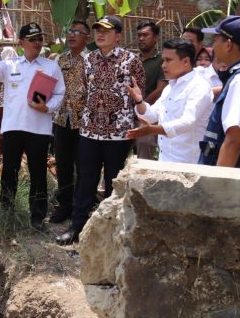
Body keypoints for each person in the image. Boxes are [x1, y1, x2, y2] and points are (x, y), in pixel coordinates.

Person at [56, 15, 145, 245]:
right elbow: (85, 90)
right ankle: (77, 228)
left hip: (118, 132)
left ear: (118, 35)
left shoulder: (131, 60)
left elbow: (139, 94)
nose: (100, 34)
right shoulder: (89, 60)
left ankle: (109, 231)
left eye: (106, 30)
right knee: (86, 179)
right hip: (90, 131)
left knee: (113, 181)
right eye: (97, 30)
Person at [0, 22, 65, 230]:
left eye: (40, 39)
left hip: (39, 128)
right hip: (13, 127)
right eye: (32, 39)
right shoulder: (10, 65)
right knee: (10, 170)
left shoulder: (51, 66)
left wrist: (48, 107)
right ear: (21, 43)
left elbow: (60, 94)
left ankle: (37, 217)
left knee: (38, 173)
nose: (37, 43)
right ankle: (6, 211)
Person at [126, 39, 214, 164]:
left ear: (186, 61)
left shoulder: (199, 86)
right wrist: (139, 100)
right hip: (165, 160)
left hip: (188, 164)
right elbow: (151, 115)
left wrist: (152, 130)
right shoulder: (170, 87)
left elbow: (188, 121)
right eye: (163, 60)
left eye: (168, 60)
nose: (163, 65)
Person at [199, 15, 240, 170]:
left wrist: (219, 187)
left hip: (236, 187)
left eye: (215, 40)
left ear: (228, 44)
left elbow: (234, 139)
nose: (213, 46)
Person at [51, 21, 90, 224]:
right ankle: (64, 206)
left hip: (83, 122)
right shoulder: (59, 59)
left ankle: (80, 209)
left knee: (83, 167)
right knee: (63, 165)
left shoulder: (91, 60)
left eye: (78, 32)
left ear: (87, 38)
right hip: (61, 120)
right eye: (71, 31)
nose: (72, 35)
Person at [135, 21, 167, 159]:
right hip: (125, 115)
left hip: (149, 116)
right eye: (139, 35)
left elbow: (160, 90)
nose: (141, 38)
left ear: (155, 38)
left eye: (145, 35)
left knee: (144, 153)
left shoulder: (162, 61)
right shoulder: (132, 60)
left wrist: (139, 106)